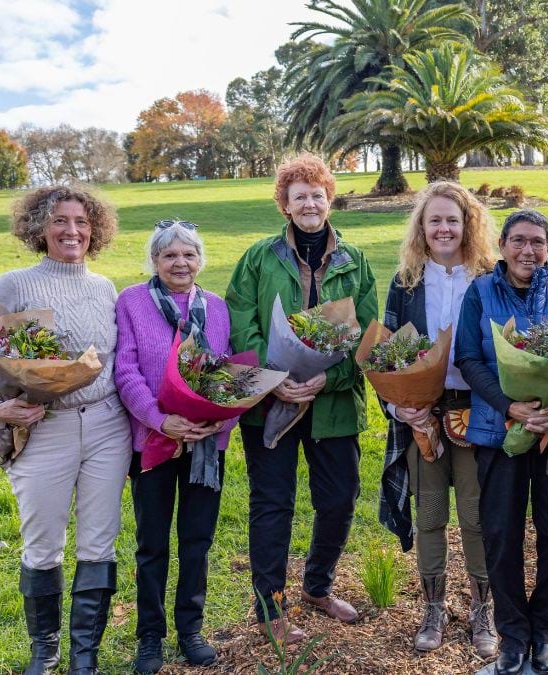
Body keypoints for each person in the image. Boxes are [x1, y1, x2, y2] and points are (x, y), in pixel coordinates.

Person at [0, 185, 129, 675]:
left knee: (99, 541)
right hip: (44, 429)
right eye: (59, 220)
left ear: (94, 228)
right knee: (42, 543)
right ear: (39, 227)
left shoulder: (104, 287)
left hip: (106, 427)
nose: (71, 230)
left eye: (81, 221)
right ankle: (45, 649)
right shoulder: (12, 285)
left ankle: (84, 656)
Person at [226, 153, 377, 644]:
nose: (309, 203)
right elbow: (240, 321)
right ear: (284, 206)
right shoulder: (258, 258)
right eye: (299, 197)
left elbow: (367, 332)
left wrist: (325, 381)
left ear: (329, 199)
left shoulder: (356, 262)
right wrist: (272, 380)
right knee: (273, 504)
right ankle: (270, 608)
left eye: (317, 194)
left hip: (332, 405)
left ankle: (317, 585)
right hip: (271, 403)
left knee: (338, 500)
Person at [454, 209, 548, 675]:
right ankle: (513, 636)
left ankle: (545, 633)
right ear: (502, 245)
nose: (528, 251)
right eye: (518, 241)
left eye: (537, 242)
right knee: (501, 535)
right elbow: (469, 358)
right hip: (499, 434)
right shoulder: (480, 293)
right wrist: (510, 407)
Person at [376, 181, 499, 656]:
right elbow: (387, 352)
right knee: (429, 514)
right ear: (421, 229)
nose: (444, 228)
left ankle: (482, 611)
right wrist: (398, 404)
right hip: (421, 413)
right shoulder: (406, 282)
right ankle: (434, 608)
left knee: (475, 514)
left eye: (453, 219)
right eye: (435, 220)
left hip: (478, 410)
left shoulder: (488, 277)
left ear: (467, 224)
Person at [114, 219, 235, 671]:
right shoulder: (132, 302)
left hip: (206, 444)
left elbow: (235, 375)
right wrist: (162, 420)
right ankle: (150, 636)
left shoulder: (219, 307)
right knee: (151, 543)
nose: (180, 263)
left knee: (197, 539)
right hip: (152, 441)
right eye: (170, 255)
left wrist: (219, 422)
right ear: (154, 261)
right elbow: (125, 370)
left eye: (188, 254)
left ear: (200, 259)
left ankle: (191, 630)